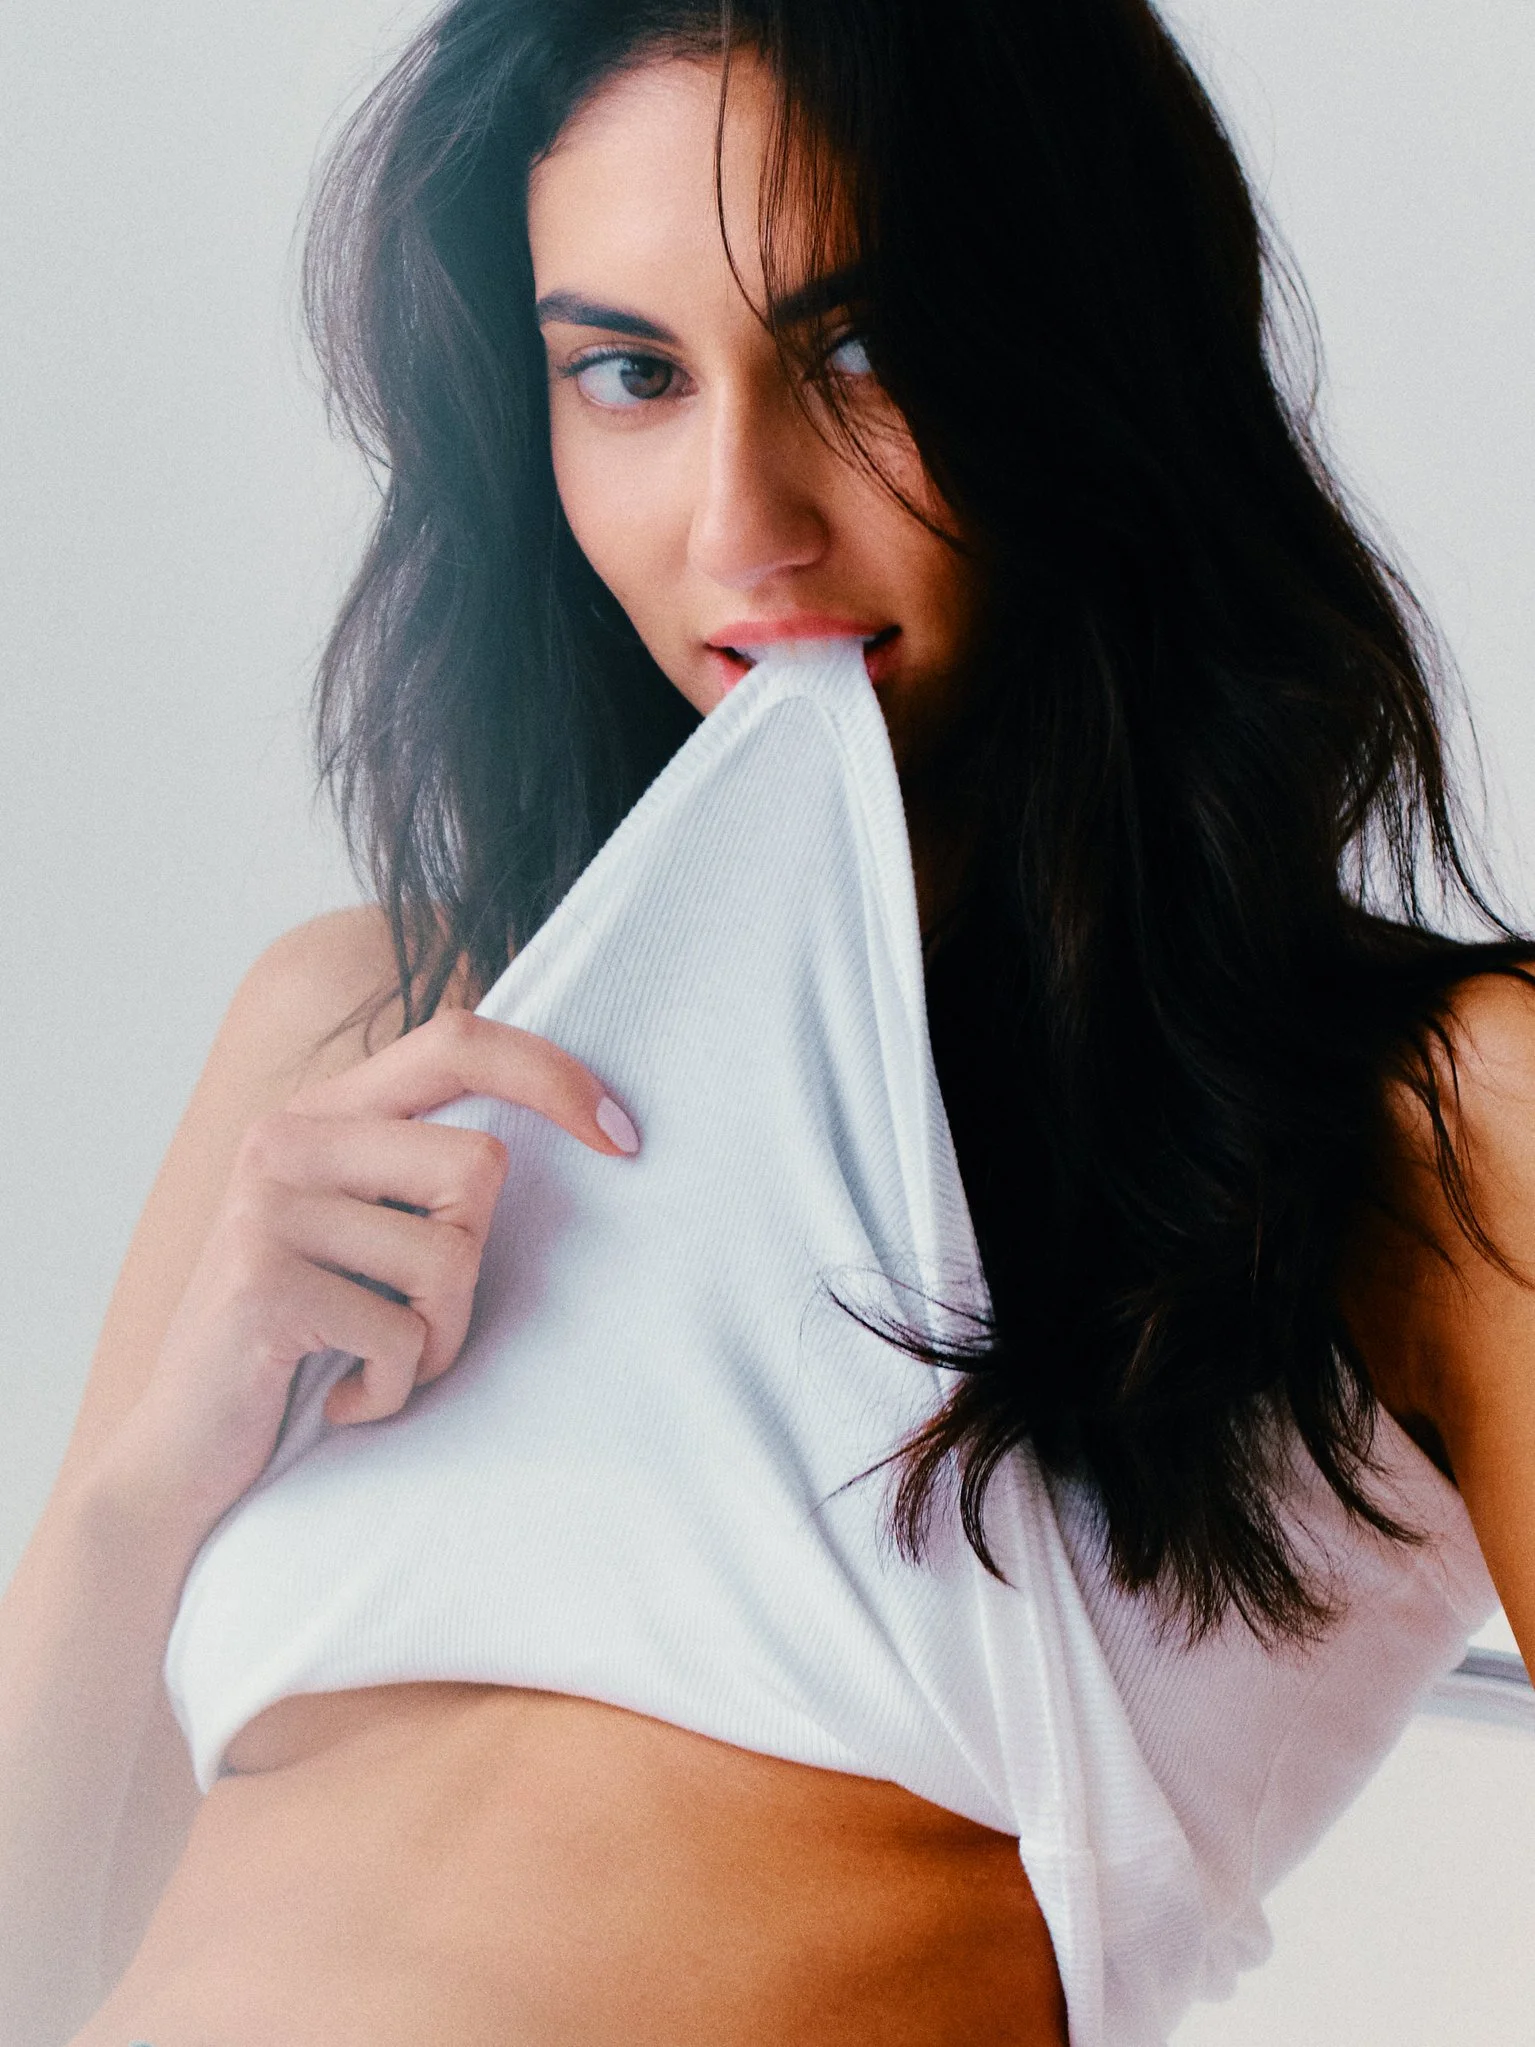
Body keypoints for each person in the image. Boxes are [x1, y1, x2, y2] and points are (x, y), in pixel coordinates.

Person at [3, 0, 1534, 2041]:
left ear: (1097, 355)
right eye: (627, 374)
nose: (742, 524)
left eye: (864, 350)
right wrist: (147, 1490)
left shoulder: (1427, 1123)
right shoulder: (362, 1035)